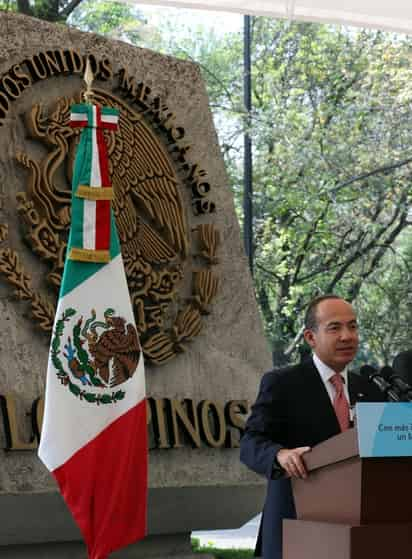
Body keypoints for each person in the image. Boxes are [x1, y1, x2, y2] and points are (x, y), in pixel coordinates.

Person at [240, 294, 385, 559]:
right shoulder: (283, 383)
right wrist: (279, 455)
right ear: (310, 337)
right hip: (297, 526)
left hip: (359, 532)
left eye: (353, 326)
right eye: (335, 328)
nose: (347, 336)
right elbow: (250, 443)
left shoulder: (370, 388)